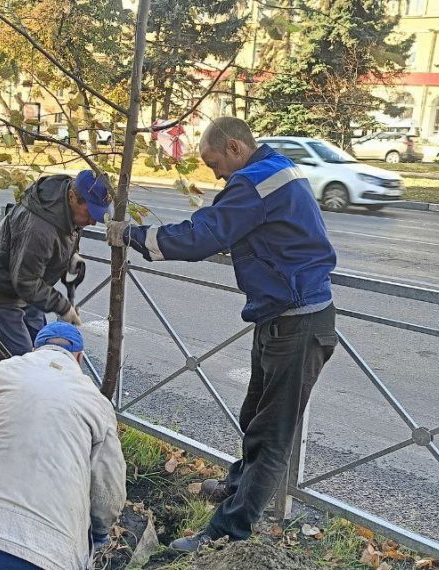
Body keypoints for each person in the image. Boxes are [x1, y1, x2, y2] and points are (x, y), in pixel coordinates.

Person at [107, 116, 337, 551]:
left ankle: (225, 533)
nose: (214, 174)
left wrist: (132, 236)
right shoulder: (274, 168)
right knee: (254, 416)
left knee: (271, 437)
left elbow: (200, 237)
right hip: (280, 314)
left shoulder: (254, 182)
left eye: (214, 163)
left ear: (234, 147)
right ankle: (237, 484)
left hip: (298, 322)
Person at [0, 322, 126, 570]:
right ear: (78, 358)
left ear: (35, 348)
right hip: (46, 553)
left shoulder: (0, 371)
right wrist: (100, 532)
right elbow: (108, 484)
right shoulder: (96, 402)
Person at [0, 170, 112, 356]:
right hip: (3, 288)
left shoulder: (65, 199)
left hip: (33, 283)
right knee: (20, 357)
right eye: (90, 212)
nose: (94, 221)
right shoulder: (39, 228)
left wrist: (70, 256)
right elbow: (25, 281)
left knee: (42, 342)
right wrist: (63, 307)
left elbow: (68, 231)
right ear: (72, 197)